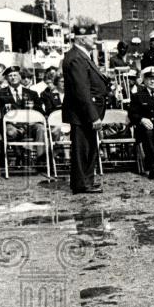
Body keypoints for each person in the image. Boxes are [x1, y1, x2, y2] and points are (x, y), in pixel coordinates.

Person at [62, 24, 108, 194]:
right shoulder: (77, 57)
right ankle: (82, 183)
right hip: (82, 113)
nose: (95, 40)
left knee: (88, 147)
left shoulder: (80, 55)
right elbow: (81, 91)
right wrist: (93, 116)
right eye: (92, 37)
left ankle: (86, 181)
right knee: (83, 148)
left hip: (85, 112)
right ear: (81, 39)